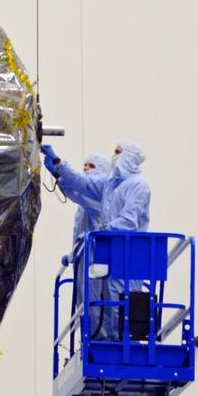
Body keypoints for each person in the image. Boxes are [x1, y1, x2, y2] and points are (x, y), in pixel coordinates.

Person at [42, 140, 151, 339]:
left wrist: (104, 230)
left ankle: (120, 344)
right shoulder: (110, 185)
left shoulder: (137, 185)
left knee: (120, 304)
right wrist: (58, 165)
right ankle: (97, 342)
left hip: (126, 253)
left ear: (130, 157)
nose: (114, 156)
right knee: (95, 305)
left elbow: (129, 220)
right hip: (106, 250)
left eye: (118, 152)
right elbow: (82, 184)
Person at [70, 153, 112, 253]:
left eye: (92, 166)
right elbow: (79, 230)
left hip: (97, 254)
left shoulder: (100, 197)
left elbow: (73, 184)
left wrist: (58, 167)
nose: (85, 168)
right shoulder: (83, 202)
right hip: (84, 255)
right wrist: (73, 253)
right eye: (85, 165)